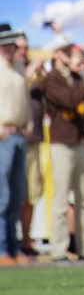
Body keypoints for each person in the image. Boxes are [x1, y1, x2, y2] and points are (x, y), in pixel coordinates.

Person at [42, 33, 84, 262]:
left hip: (77, 143)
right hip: (61, 145)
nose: (69, 54)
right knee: (62, 199)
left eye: (69, 51)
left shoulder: (73, 77)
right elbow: (71, 101)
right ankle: (58, 249)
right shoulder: (51, 79)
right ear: (55, 55)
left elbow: (83, 109)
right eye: (64, 51)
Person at [0, 24, 31, 266]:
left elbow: (24, 97)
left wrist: (28, 121)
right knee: (3, 195)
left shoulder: (18, 67)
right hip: (4, 134)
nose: (9, 46)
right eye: (6, 42)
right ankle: (3, 249)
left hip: (20, 135)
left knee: (17, 195)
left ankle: (13, 246)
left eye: (12, 42)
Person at [20, 37, 46, 256]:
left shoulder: (30, 70)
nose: (22, 50)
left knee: (31, 194)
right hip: (16, 141)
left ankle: (26, 241)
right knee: (14, 194)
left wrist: (42, 74)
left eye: (25, 47)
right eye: (19, 47)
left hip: (35, 139)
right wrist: (28, 73)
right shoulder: (14, 71)